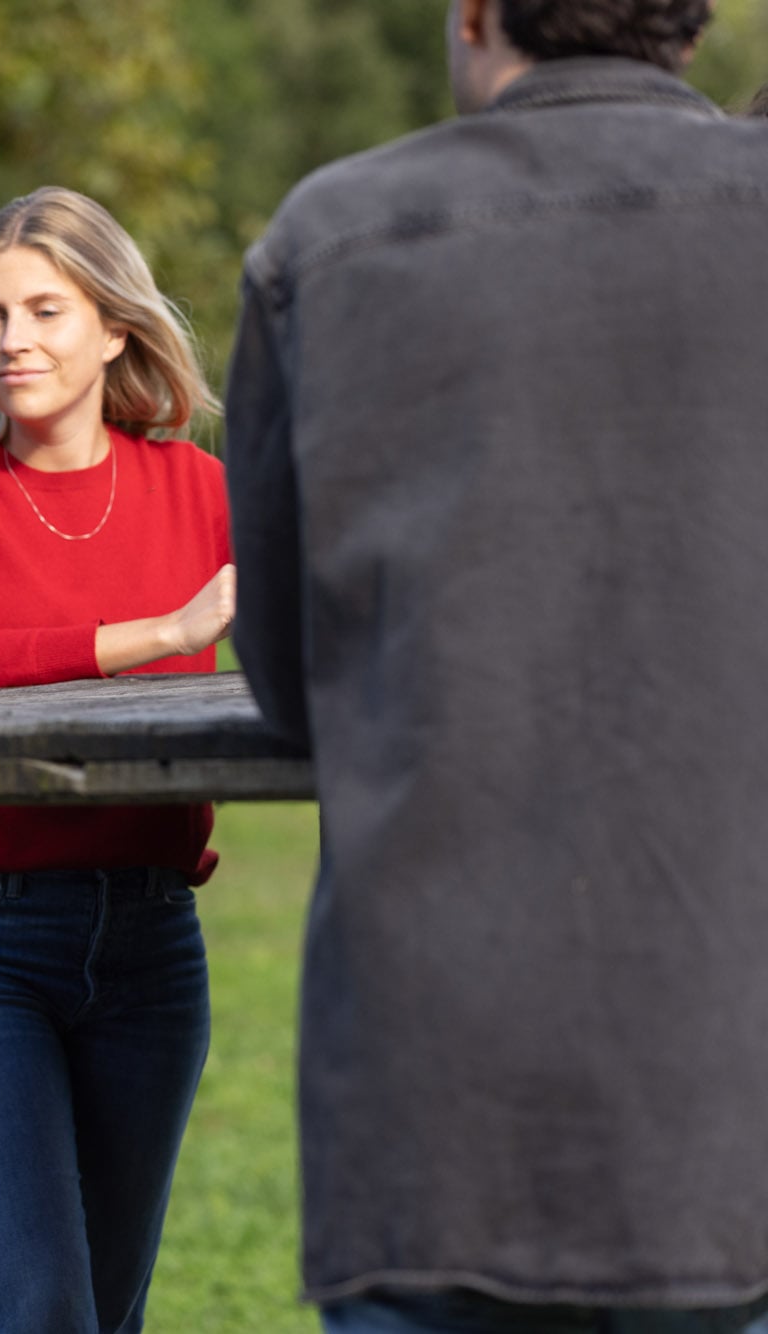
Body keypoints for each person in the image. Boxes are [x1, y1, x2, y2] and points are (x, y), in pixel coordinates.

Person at [223, 2, 768, 1330]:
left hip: (440, 1115)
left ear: (472, 10)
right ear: (688, 24)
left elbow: (291, 674)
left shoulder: (330, 239)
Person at [0, 186, 237, 1334]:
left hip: (149, 939)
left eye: (43, 310)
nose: (10, 341)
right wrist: (164, 634)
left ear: (115, 325)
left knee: (106, 1315)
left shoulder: (200, 488)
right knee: (39, 1310)